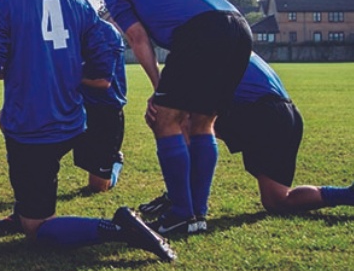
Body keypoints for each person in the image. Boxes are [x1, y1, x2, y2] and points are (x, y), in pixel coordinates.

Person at [0, 0, 174, 262]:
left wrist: (24, 64)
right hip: (73, 120)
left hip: (31, 127)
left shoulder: (3, 3)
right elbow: (102, 64)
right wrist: (66, 70)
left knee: (37, 229)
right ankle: (27, 204)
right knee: (21, 145)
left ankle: (117, 228)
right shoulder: (78, 4)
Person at [95, 0, 252, 235]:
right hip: (239, 26)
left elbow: (137, 37)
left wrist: (159, 88)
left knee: (164, 119)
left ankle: (181, 213)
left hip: (202, 30)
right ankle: (196, 215)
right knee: (202, 123)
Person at [141, 53, 354, 218]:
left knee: (176, 119)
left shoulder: (204, 42)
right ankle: (347, 195)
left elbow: (184, 100)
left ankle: (180, 200)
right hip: (285, 115)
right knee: (277, 201)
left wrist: (160, 102)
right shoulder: (228, 36)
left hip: (261, 113)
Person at [62, 0, 126, 193]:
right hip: (74, 106)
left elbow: (102, 82)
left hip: (104, 110)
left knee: (98, 188)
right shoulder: (64, 31)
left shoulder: (104, 33)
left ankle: (114, 165)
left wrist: (63, 75)